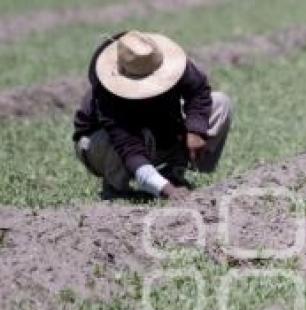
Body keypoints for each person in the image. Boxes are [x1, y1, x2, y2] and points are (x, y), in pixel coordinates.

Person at [73, 30, 232, 200]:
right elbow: (128, 146)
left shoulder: (170, 62)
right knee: (128, 137)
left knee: (219, 103)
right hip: (103, 144)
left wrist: (195, 130)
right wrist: (167, 190)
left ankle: (173, 173)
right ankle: (116, 188)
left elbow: (198, 91)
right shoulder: (107, 95)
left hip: (154, 131)